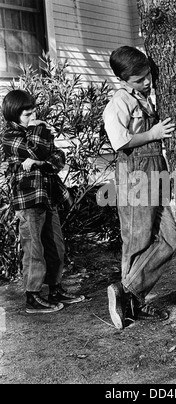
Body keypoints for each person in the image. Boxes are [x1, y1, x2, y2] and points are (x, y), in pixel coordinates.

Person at [103, 45, 176, 329]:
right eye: (139, 80)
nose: (147, 82)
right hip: (134, 170)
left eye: (148, 76)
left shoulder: (143, 97)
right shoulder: (118, 102)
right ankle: (132, 304)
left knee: (170, 238)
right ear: (123, 80)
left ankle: (127, 290)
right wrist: (152, 133)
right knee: (137, 238)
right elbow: (120, 141)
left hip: (156, 168)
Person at [1, 89, 85, 314]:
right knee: (33, 248)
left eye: (33, 112)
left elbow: (58, 157)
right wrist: (39, 135)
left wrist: (39, 163)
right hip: (28, 200)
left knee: (55, 245)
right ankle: (32, 296)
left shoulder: (39, 131)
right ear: (13, 116)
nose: (33, 117)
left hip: (47, 196)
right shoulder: (10, 135)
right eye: (27, 114)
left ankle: (55, 288)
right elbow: (35, 150)